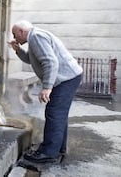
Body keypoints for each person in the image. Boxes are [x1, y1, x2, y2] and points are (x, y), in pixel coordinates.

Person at [8, 20, 83, 163]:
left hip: (66, 79)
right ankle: (58, 148)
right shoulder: (35, 36)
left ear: (22, 32)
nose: (14, 37)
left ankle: (48, 153)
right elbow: (31, 59)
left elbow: (50, 62)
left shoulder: (36, 37)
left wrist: (47, 87)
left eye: (14, 34)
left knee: (54, 113)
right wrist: (17, 49)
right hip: (69, 77)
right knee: (59, 114)